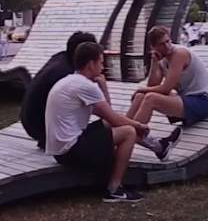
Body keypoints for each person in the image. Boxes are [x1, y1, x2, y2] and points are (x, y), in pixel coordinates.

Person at [45, 41, 166, 203]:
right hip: (71, 151)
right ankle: (114, 189)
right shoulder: (86, 86)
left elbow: (107, 116)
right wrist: (138, 125)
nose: (103, 67)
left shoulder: (69, 80)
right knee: (128, 132)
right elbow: (113, 118)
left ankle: (158, 145)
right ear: (90, 64)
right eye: (101, 62)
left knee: (110, 124)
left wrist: (102, 86)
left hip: (59, 150)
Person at [127, 26, 208, 135]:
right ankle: (123, 128)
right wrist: (154, 63)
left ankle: (132, 134)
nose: (167, 46)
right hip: (186, 99)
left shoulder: (179, 54)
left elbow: (166, 89)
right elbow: (152, 85)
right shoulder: (162, 58)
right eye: (162, 44)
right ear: (154, 47)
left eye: (168, 41)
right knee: (140, 96)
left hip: (203, 100)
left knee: (151, 98)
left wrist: (141, 89)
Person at [20, 31, 98, 148]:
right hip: (41, 128)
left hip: (29, 122)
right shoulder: (66, 74)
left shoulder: (60, 58)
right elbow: (98, 108)